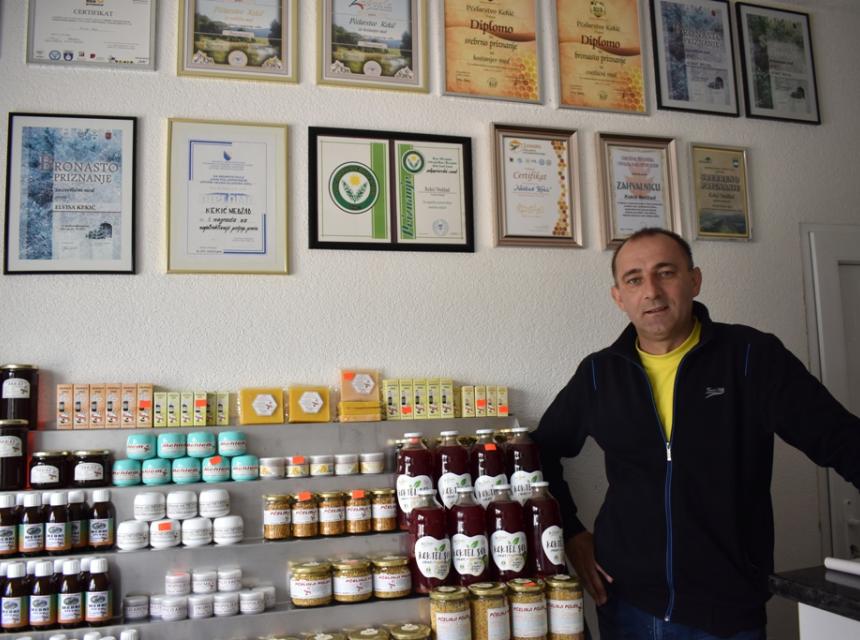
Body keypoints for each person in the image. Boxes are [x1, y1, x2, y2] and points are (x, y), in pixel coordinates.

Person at [532, 228, 860, 639]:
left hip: (729, 610)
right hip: (628, 607)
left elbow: (840, 439)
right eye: (634, 279)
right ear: (619, 297)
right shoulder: (599, 374)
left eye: (665, 272)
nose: (651, 291)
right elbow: (538, 453)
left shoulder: (750, 356)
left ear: (694, 280)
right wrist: (570, 531)